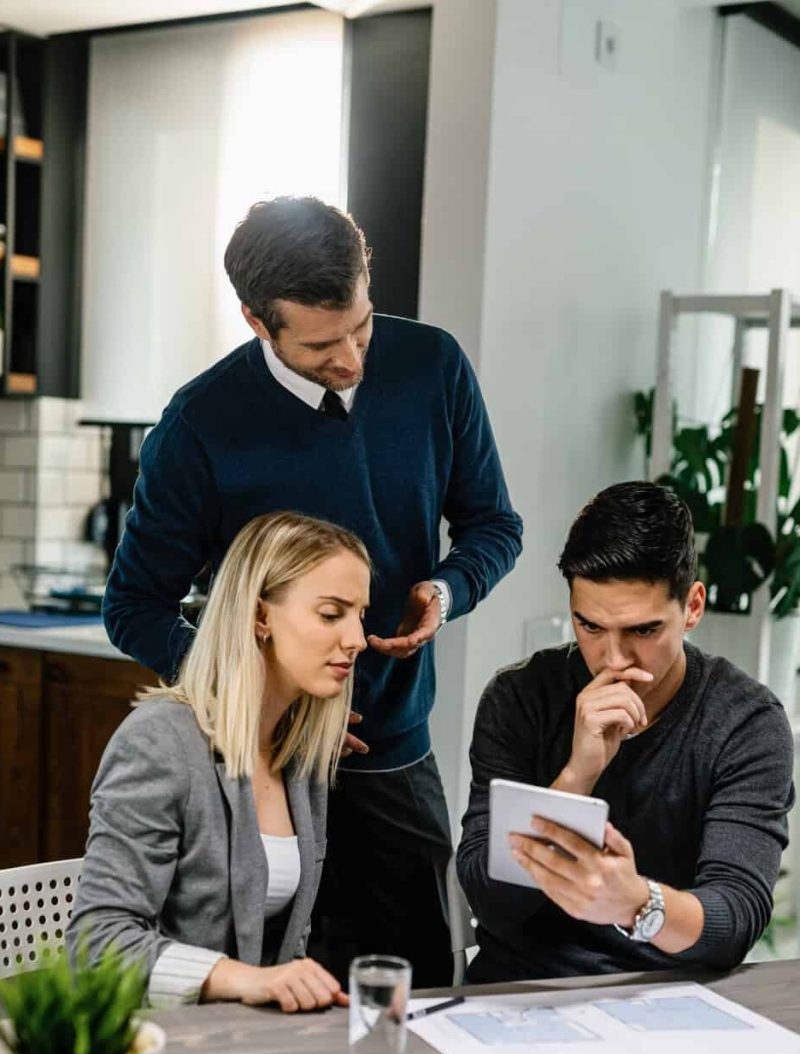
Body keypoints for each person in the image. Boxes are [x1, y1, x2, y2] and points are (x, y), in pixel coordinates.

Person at [101, 196, 523, 987]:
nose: (355, 358)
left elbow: (495, 525)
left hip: (394, 754)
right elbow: (132, 608)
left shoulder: (433, 365)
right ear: (259, 323)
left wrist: (446, 587)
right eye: (324, 343)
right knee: (278, 991)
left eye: (362, 326)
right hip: (264, 770)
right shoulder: (200, 425)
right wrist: (257, 691)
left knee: (426, 991)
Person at [457, 481, 794, 983]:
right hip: (521, 987)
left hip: (670, 996)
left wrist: (638, 902)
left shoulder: (746, 721)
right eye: (590, 627)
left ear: (693, 607)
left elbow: (735, 919)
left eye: (643, 630)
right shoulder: (520, 698)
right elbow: (489, 898)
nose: (613, 659)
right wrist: (577, 776)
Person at [67, 511, 370, 1012]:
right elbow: (98, 946)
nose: (357, 638)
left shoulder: (300, 753)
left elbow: (287, 946)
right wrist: (247, 981)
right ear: (259, 616)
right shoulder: (159, 743)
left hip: (246, 1047)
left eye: (361, 614)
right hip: (160, 1048)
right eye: (332, 613)